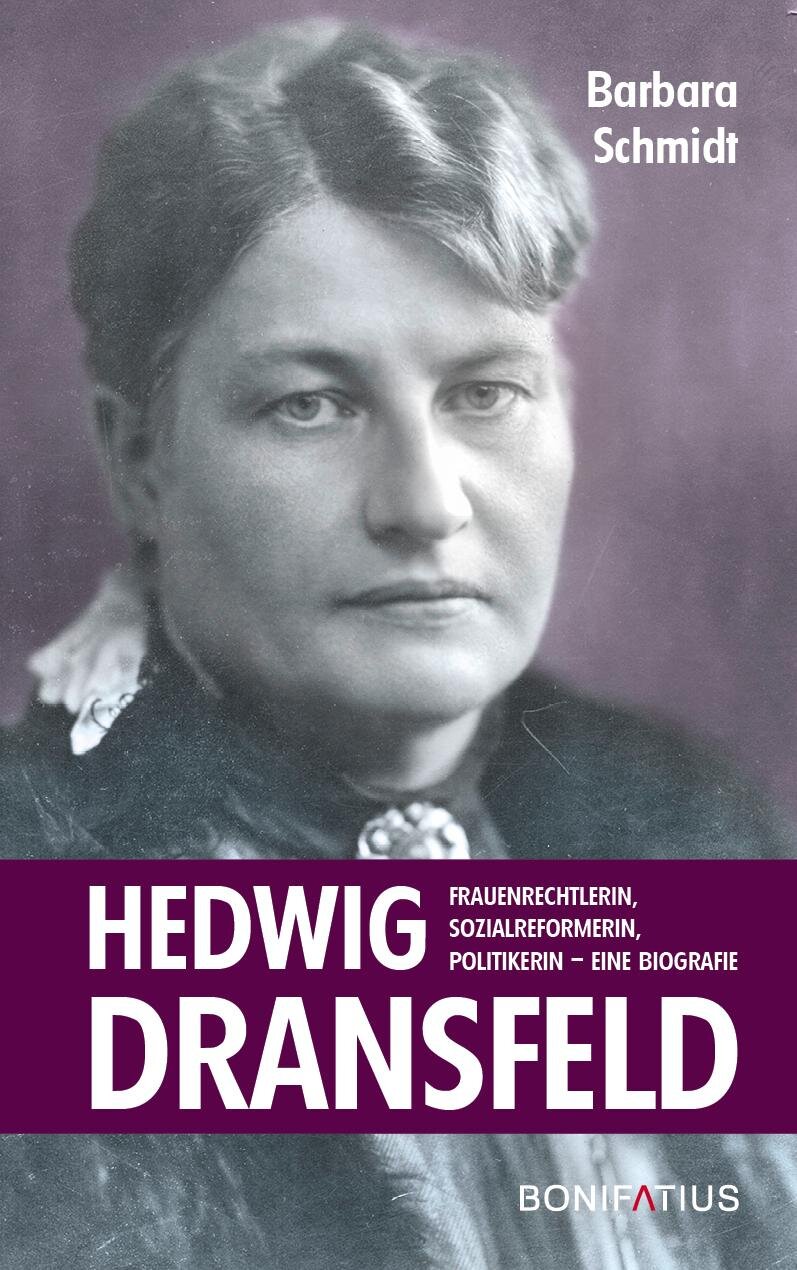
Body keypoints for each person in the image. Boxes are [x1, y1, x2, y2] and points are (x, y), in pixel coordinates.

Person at [1, 18, 794, 1269]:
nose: (422, 503)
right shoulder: (32, 906)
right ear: (141, 458)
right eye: (310, 403)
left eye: (483, 393)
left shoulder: (691, 835)